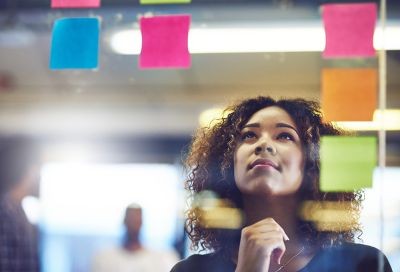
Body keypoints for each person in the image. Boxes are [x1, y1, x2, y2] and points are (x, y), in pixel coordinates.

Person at [171, 96, 393, 272]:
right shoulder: (191, 270)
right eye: (249, 135)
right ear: (228, 161)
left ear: (310, 163)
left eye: (285, 136)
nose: (263, 144)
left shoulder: (364, 265)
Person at [91, 203, 180, 272]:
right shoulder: (104, 258)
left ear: (142, 222)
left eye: (137, 219)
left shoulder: (163, 258)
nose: (133, 223)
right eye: (131, 218)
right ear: (124, 221)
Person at [0, 138, 41, 272]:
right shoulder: (4, 214)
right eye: (35, 170)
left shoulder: (18, 210)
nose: (38, 176)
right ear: (26, 172)